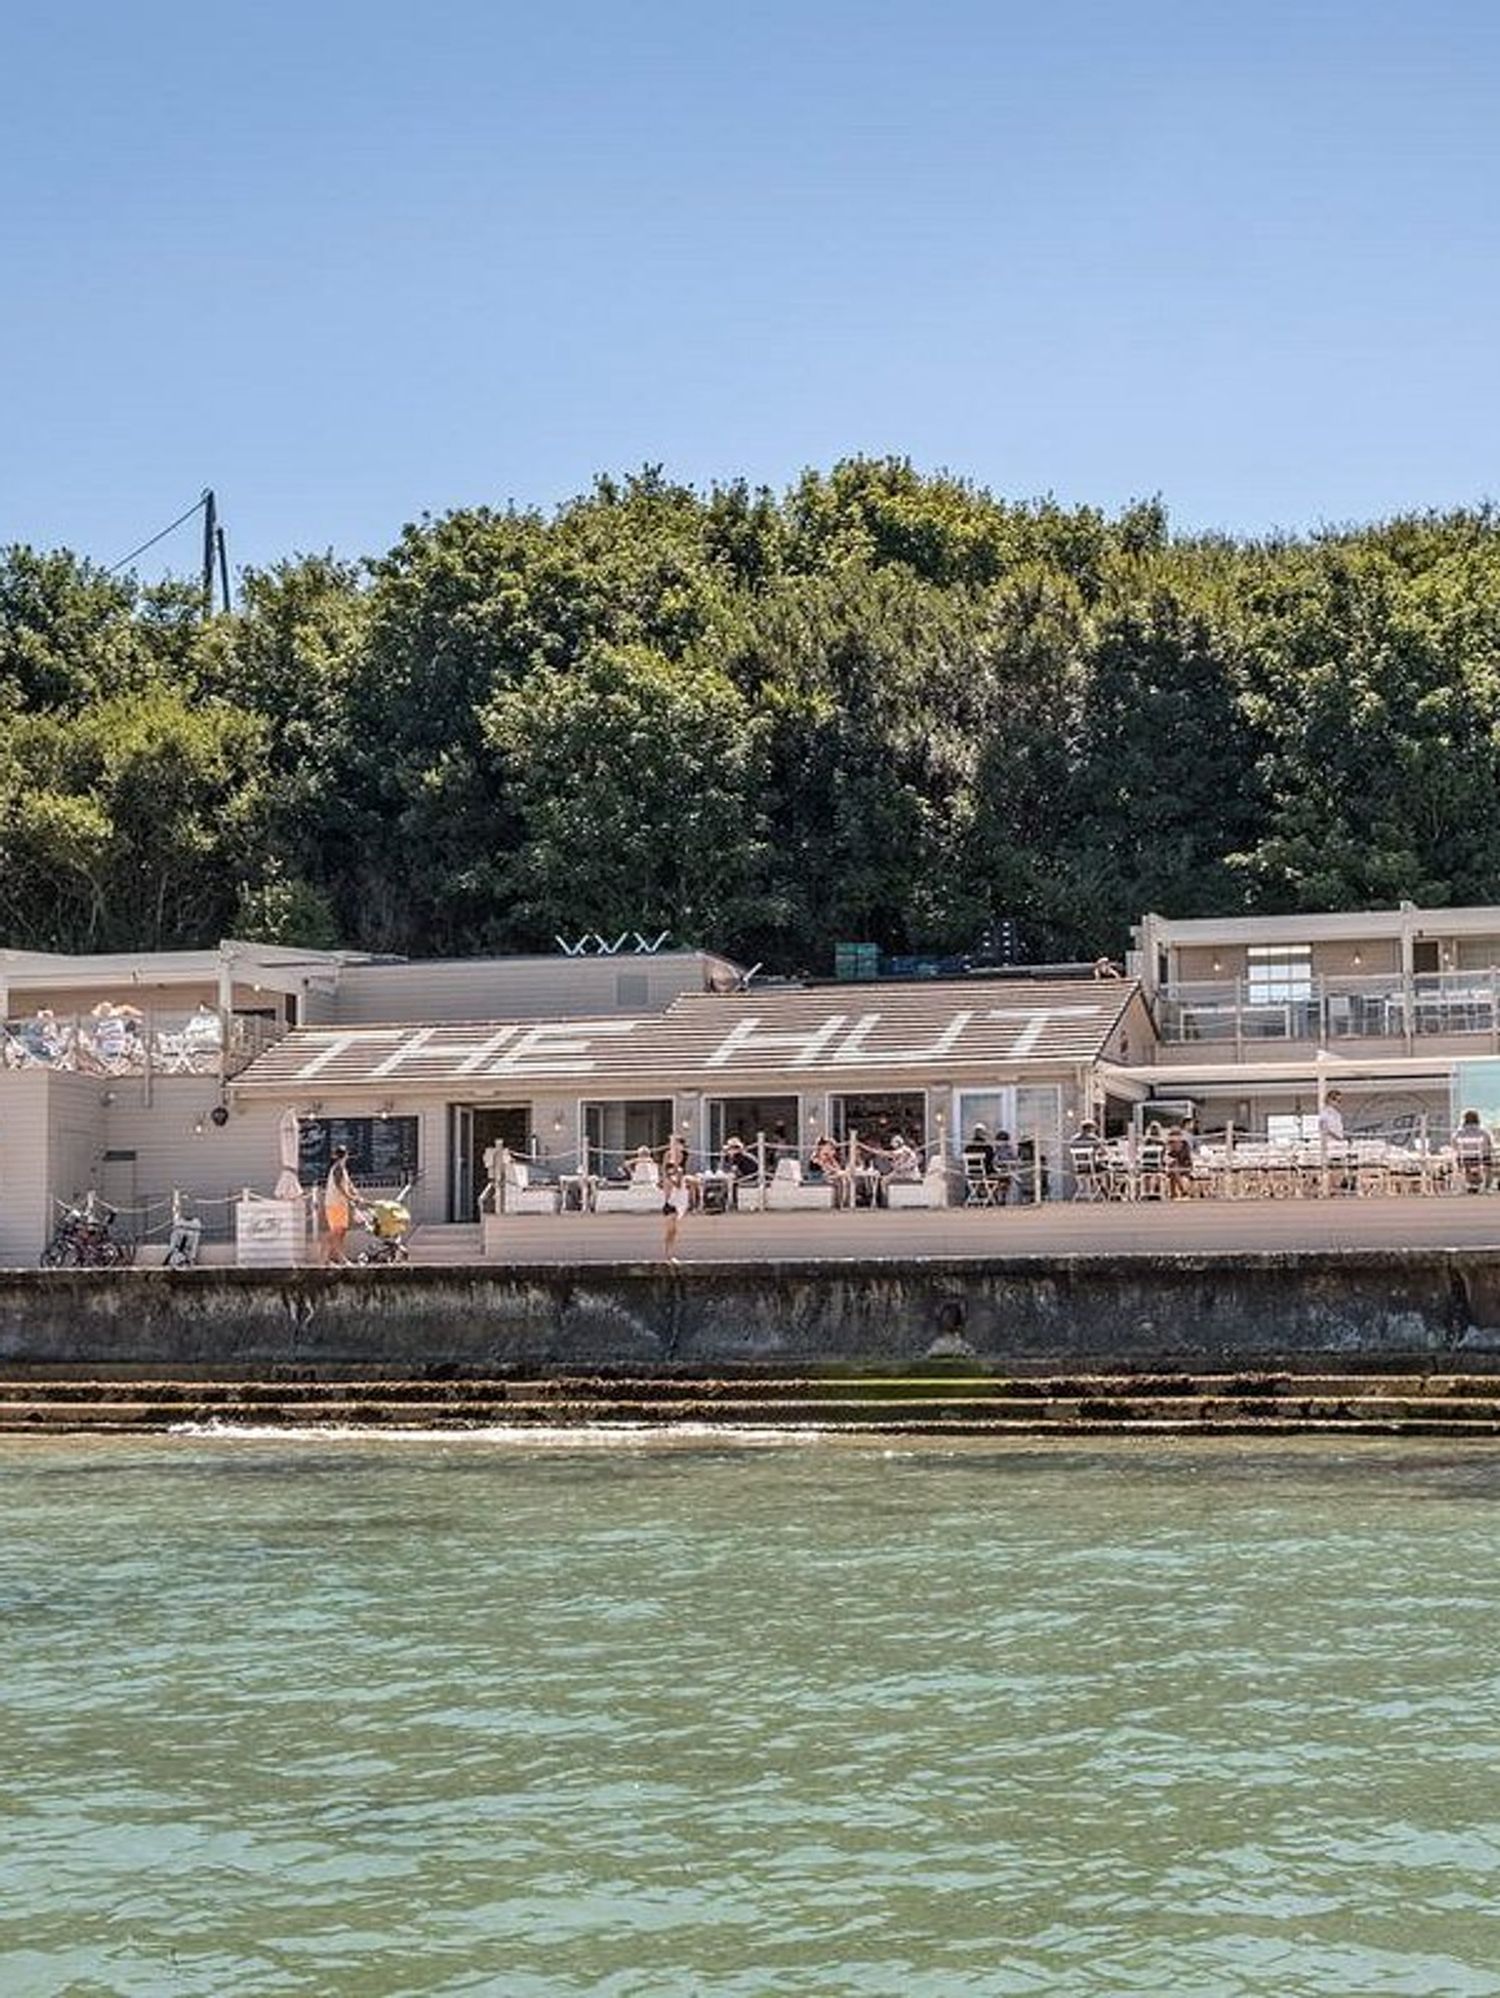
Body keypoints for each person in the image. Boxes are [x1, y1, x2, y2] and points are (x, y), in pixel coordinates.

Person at [324, 1144, 358, 1266]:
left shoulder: (342, 1169)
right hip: (334, 1203)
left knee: (342, 1231)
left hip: (341, 1203)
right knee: (336, 1231)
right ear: (345, 1155)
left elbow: (347, 1183)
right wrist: (350, 1197)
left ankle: (334, 1257)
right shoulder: (337, 1168)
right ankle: (335, 1258)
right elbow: (339, 1186)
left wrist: (354, 1191)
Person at [1453, 1109, 1494, 1193]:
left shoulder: (1459, 1133)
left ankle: (1462, 1186)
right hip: (1482, 1159)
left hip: (1464, 1160)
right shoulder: (1484, 1132)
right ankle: (1487, 1187)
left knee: (1460, 1163)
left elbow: (1454, 1145)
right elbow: (1490, 1145)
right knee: (1489, 1163)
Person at [807, 1134, 852, 1208]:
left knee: (844, 1179)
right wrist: (836, 1170)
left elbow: (837, 1168)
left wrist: (831, 1159)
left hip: (825, 1175)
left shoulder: (829, 1157)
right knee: (839, 1179)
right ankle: (839, 1203)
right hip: (817, 1176)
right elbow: (825, 1168)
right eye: (829, 1147)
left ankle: (844, 1201)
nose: (831, 1150)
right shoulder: (815, 1157)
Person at [661, 1161, 690, 1260]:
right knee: (670, 1231)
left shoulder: (676, 1178)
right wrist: (679, 1174)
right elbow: (677, 1185)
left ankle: (670, 1253)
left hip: (674, 1206)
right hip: (670, 1206)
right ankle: (668, 1254)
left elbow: (679, 1184)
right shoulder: (669, 1179)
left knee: (673, 1231)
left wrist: (679, 1173)